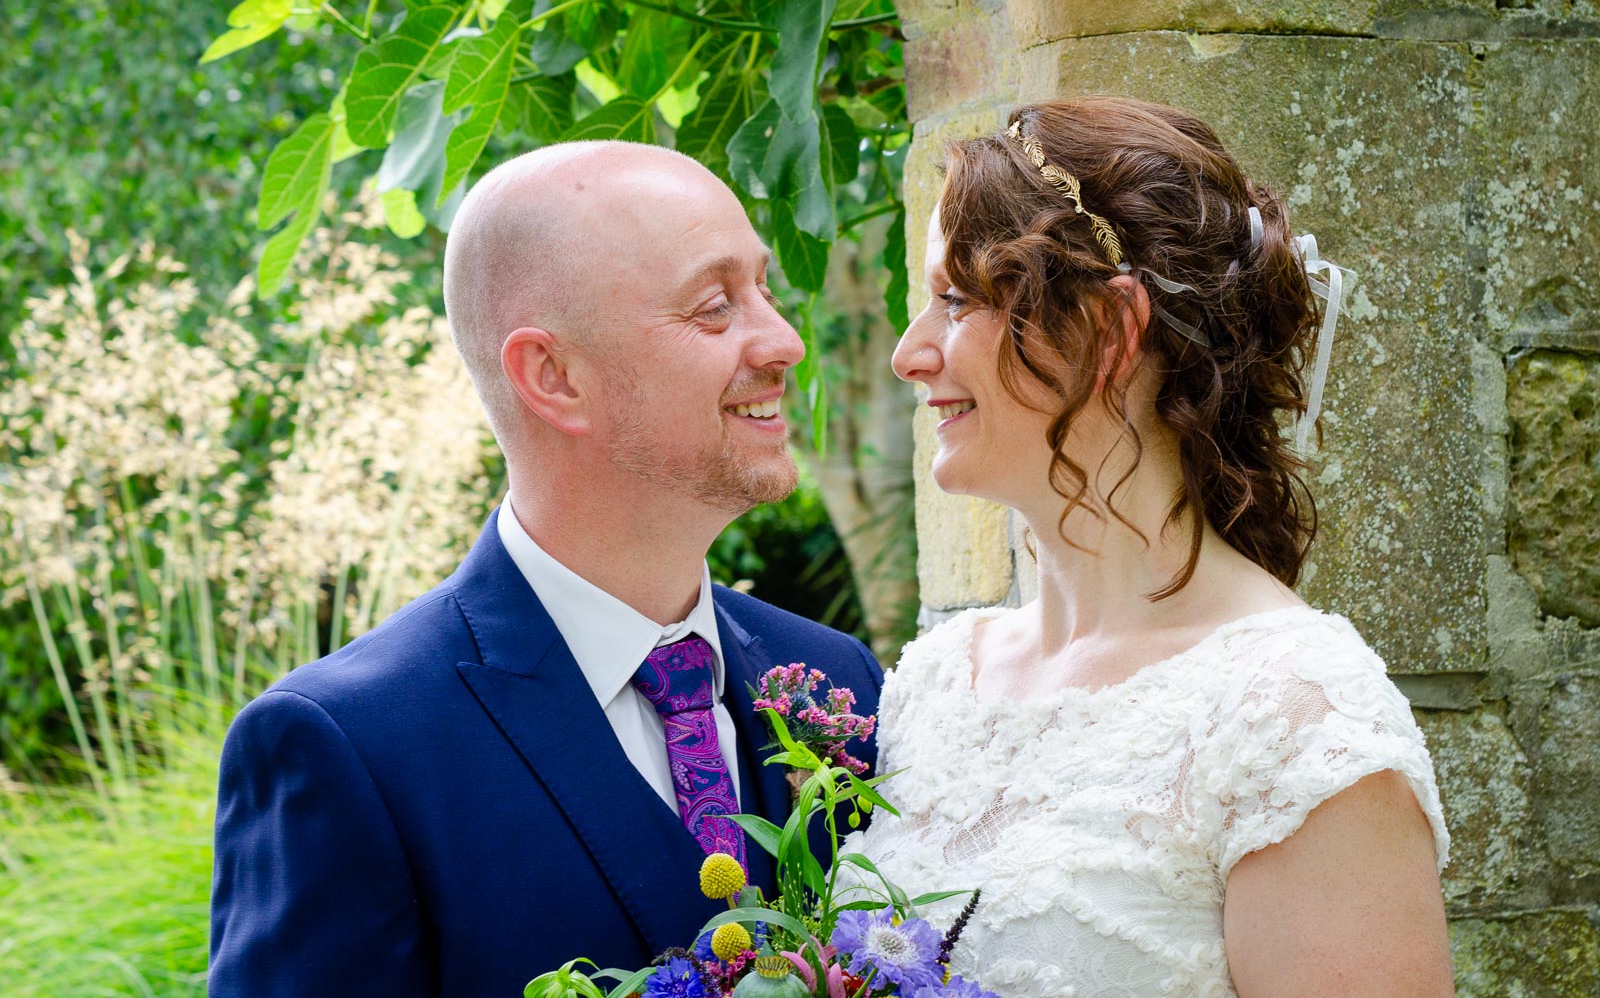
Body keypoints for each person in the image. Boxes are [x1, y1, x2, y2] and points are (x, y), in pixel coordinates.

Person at [209, 142, 884, 997]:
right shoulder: (351, 748)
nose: (784, 340)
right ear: (554, 376)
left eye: (766, 290)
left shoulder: (837, 683)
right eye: (716, 307)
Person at [840, 97, 1453, 996]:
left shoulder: (1293, 721)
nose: (909, 354)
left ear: (1112, 330)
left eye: (957, 300)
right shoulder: (934, 682)